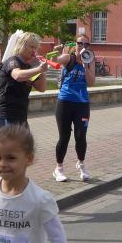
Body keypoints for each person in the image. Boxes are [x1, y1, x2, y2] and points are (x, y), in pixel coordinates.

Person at [53, 34, 95, 182]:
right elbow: (55, 60)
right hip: (65, 102)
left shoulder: (90, 59)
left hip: (82, 104)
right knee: (64, 137)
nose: (83, 46)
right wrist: (57, 51)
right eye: (80, 43)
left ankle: (81, 164)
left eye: (86, 44)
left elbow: (91, 82)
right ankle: (58, 169)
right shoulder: (69, 58)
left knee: (81, 136)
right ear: (75, 44)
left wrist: (85, 64)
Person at [0, 32, 48, 129]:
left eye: (35, 48)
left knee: (26, 140)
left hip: (21, 116)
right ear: (21, 45)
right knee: (11, 140)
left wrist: (42, 71)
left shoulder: (29, 67)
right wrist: (38, 69)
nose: (34, 51)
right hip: (6, 115)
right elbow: (17, 75)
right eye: (31, 47)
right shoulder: (13, 61)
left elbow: (41, 88)